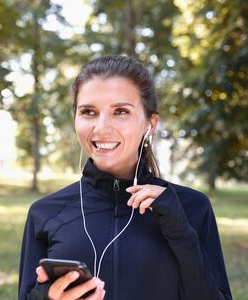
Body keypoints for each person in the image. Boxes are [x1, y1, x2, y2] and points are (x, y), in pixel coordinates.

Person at [18, 55, 232, 300]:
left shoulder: (192, 208)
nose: (101, 127)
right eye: (88, 112)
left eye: (120, 111)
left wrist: (181, 232)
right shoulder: (44, 213)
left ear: (150, 124)